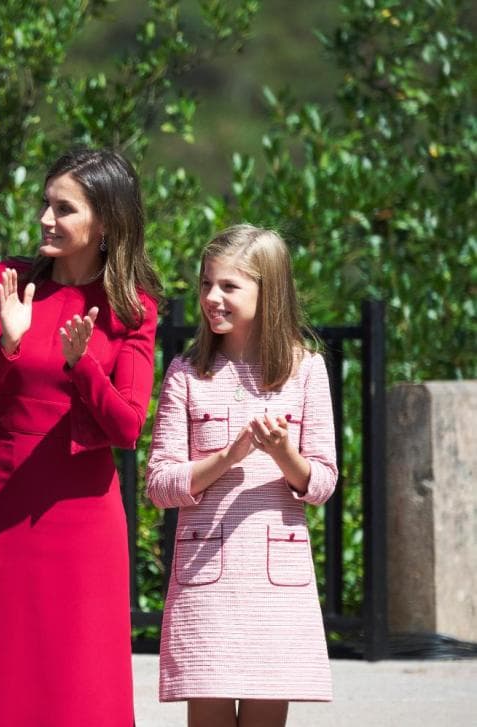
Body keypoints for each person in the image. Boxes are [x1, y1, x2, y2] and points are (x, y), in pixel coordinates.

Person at [0, 148, 161, 725]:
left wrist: (82, 364)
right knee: (3, 683)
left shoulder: (133, 307)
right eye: (45, 202)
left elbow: (127, 427)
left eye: (63, 208)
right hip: (6, 509)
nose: (46, 217)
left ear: (106, 224)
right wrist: (8, 345)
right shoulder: (9, 283)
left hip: (84, 522)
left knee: (82, 688)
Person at [146, 224, 337, 726]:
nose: (212, 297)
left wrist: (283, 454)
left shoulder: (306, 370)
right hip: (205, 580)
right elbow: (159, 485)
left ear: (268, 291)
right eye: (208, 283)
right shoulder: (186, 373)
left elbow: (321, 483)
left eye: (229, 286)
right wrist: (227, 458)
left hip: (278, 587)